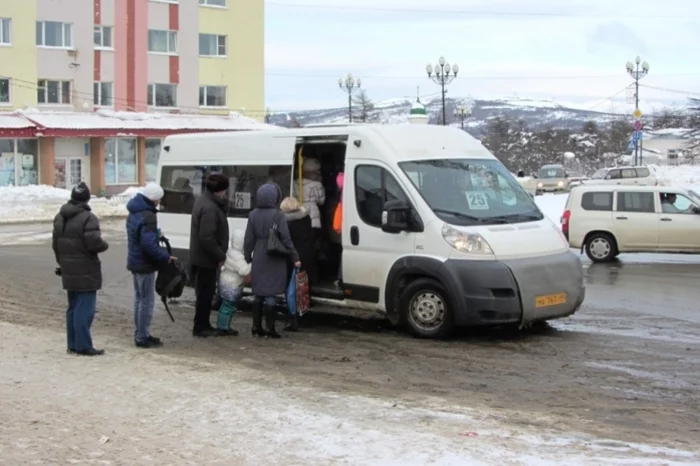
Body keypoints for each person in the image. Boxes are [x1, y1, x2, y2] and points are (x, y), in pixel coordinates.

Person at [52, 182, 109, 356]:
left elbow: (55, 245)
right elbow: (93, 242)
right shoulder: (88, 218)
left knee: (73, 307)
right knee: (85, 308)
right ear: (87, 198)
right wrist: (104, 244)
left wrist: (63, 264)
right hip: (86, 269)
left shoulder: (60, 217)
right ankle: (83, 345)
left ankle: (73, 344)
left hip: (68, 268)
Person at [244, 183, 300, 338]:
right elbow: (286, 239)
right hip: (275, 256)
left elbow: (248, 239)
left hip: (259, 256)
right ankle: (270, 328)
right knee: (271, 293)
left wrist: (247, 257)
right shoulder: (278, 215)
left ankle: (256, 326)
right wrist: (295, 257)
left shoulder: (253, 214)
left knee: (259, 293)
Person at [126, 182, 174, 348]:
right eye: (159, 199)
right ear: (154, 199)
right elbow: (148, 245)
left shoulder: (134, 211)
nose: (159, 202)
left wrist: (154, 234)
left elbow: (140, 237)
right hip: (144, 264)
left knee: (139, 299)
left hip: (135, 261)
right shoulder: (148, 216)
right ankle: (142, 337)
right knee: (146, 301)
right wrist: (164, 256)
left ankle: (141, 333)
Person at [189, 174, 230, 337]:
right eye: (224, 191)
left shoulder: (204, 201)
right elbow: (206, 237)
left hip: (203, 258)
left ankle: (203, 324)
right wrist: (221, 256)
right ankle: (201, 326)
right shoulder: (209, 208)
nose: (226, 194)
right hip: (205, 259)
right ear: (219, 191)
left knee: (205, 293)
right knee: (205, 294)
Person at [280, 196, 315, 331]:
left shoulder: (287, 223)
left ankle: (293, 318)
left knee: (292, 290)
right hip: (307, 256)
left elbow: (287, 243)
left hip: (294, 259)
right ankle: (304, 313)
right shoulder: (306, 219)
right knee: (303, 288)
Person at [217, 230, 251, 336]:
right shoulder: (238, 257)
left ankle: (224, 326)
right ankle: (223, 327)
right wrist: (252, 264)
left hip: (225, 281)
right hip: (232, 285)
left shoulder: (229, 252)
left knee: (225, 305)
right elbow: (244, 270)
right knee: (228, 306)